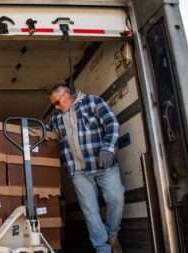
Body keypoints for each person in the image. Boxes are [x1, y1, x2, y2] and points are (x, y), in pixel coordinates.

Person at [45, 84, 125, 253]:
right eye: (54, 105)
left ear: (66, 94)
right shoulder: (56, 117)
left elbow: (112, 123)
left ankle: (112, 235)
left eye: (57, 102)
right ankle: (103, 248)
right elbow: (45, 134)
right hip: (79, 171)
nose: (56, 107)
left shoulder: (93, 102)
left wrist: (108, 149)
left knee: (116, 199)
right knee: (90, 211)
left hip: (104, 165)